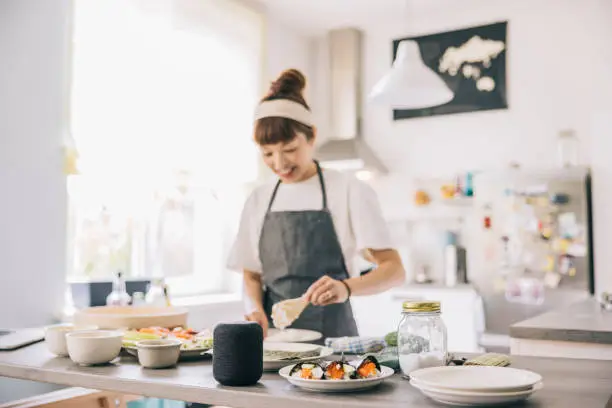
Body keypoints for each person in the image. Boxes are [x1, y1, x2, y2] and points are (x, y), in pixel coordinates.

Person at [227, 68, 405, 339]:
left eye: (289, 150)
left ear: (311, 137)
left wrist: (346, 287)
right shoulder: (258, 199)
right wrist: (253, 309)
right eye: (267, 154)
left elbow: (394, 271)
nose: (279, 163)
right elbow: (251, 274)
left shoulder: (348, 190)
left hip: (336, 343)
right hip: (276, 344)